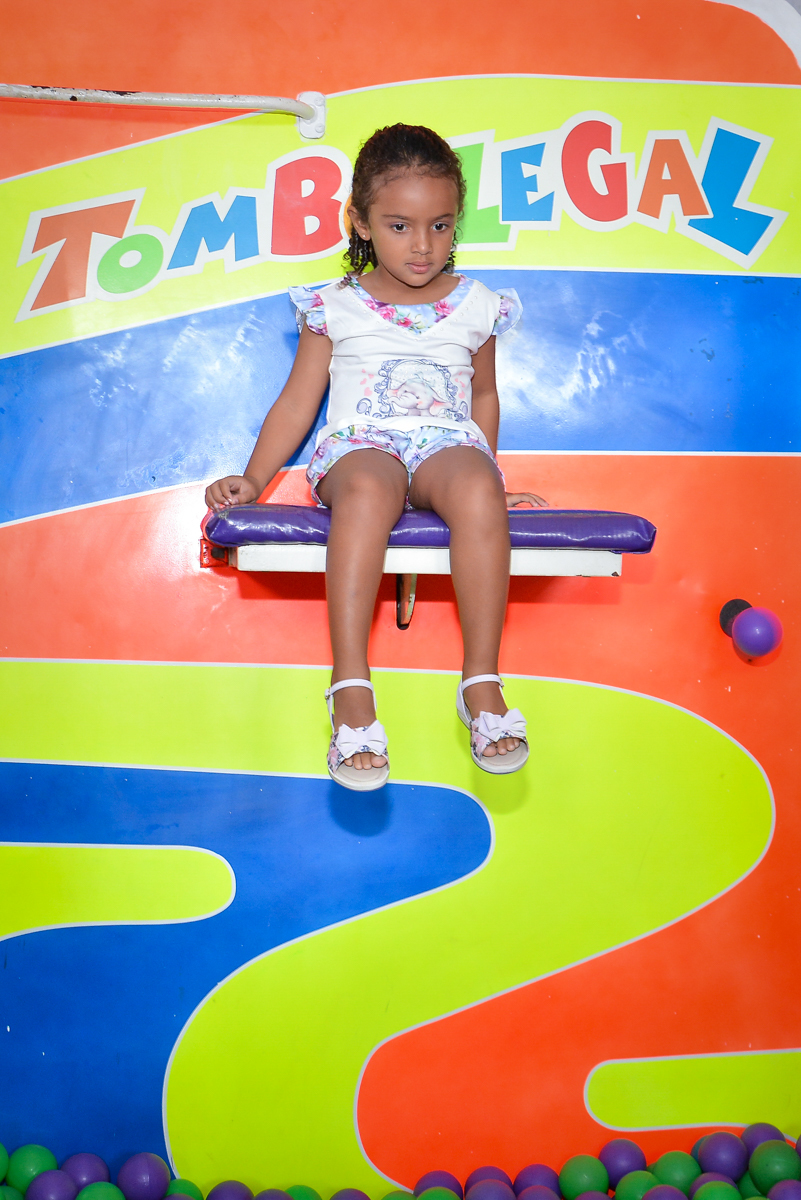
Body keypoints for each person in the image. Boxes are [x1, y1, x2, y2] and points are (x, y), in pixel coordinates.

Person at [205, 123, 546, 790]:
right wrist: (253, 476)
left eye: (440, 226)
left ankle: (480, 680)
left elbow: (483, 395)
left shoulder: (477, 305)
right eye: (398, 226)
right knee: (367, 489)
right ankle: (350, 684)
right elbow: (298, 401)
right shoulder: (333, 307)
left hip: (446, 443)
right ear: (357, 222)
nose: (422, 246)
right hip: (362, 443)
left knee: (474, 484)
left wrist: (486, 473)